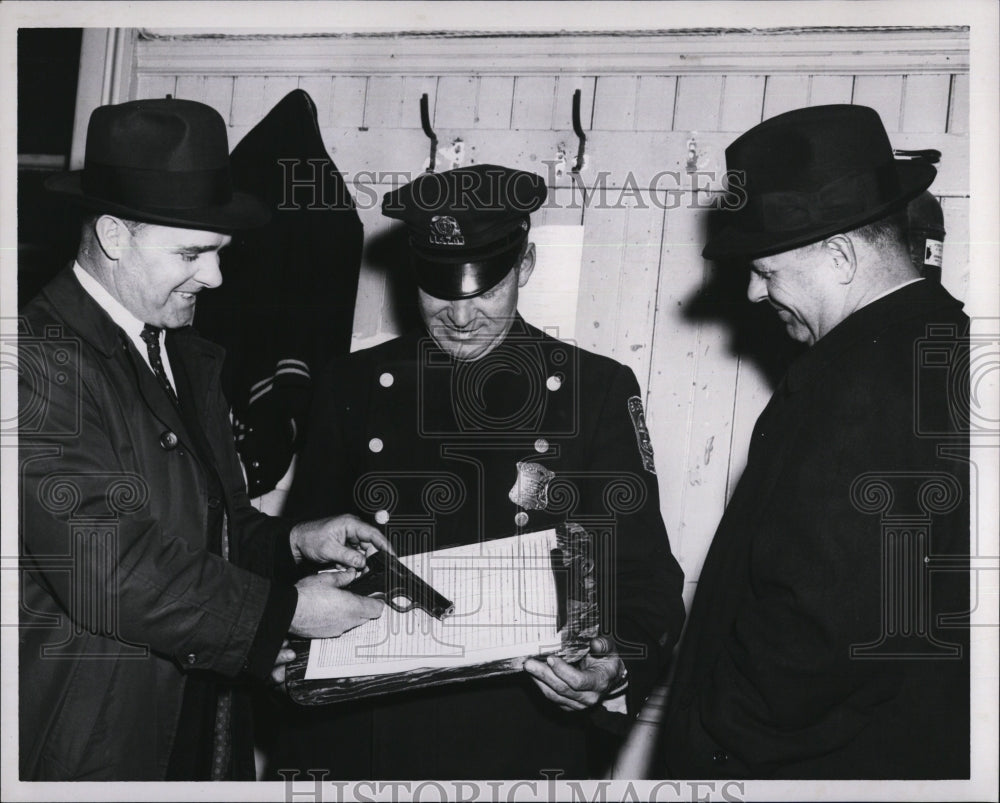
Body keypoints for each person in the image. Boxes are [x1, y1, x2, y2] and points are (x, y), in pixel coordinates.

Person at [271, 164, 686, 779]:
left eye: (485, 290)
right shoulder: (350, 384)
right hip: (359, 734)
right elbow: (301, 547)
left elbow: (643, 575)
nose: (461, 317)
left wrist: (613, 664)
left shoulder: (593, 390)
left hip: (517, 736)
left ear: (525, 267)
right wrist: (283, 634)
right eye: (440, 291)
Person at [18, 98, 390, 781]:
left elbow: (210, 526)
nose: (215, 279)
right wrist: (286, 613)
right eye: (192, 253)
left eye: (219, 254)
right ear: (113, 235)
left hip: (196, 721)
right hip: (90, 743)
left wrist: (293, 541)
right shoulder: (32, 365)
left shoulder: (185, 357)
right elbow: (112, 571)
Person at [656, 104, 970, 779]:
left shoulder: (862, 386)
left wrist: (712, 729)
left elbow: (819, 632)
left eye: (766, 271)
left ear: (839, 255)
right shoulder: (945, 351)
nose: (751, 291)